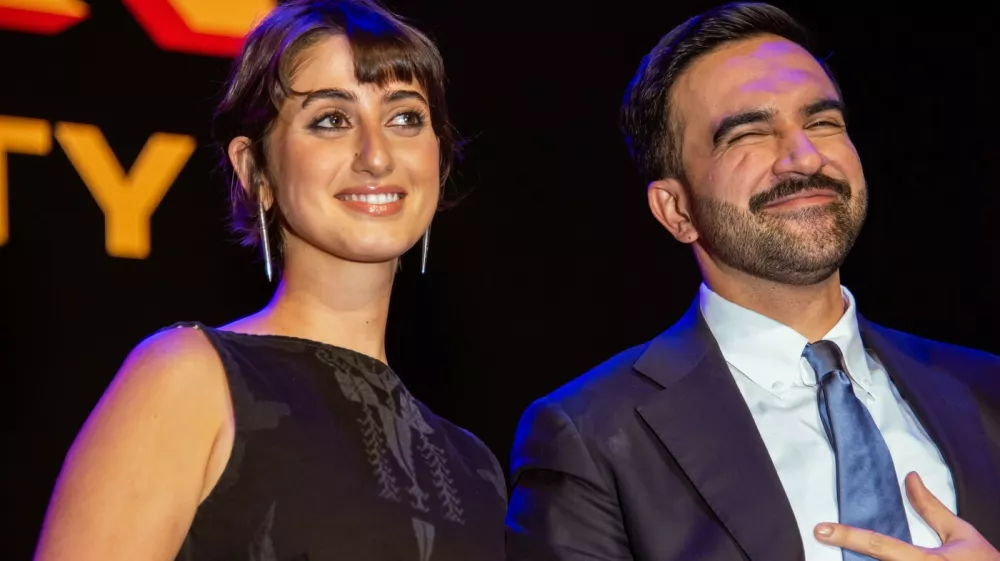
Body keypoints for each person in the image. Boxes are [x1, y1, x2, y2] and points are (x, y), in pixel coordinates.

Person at [505, 3, 1000, 560]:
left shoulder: (986, 390)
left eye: (822, 122)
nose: (804, 157)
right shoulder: (590, 436)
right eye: (748, 134)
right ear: (675, 210)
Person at [32, 1, 506, 559]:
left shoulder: (473, 468)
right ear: (255, 170)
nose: (377, 156)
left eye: (405, 118)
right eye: (331, 119)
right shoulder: (189, 380)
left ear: (439, 159)